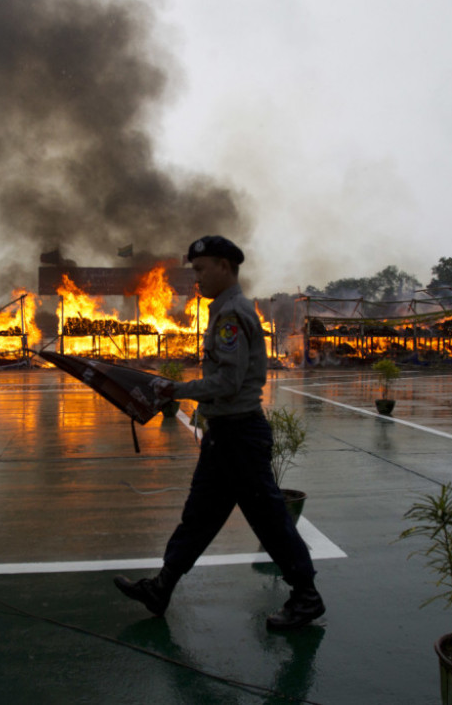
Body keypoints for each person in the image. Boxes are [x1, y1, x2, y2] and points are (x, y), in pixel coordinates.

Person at [113, 235, 325, 630]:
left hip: (240, 435)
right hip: (225, 435)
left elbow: (227, 381)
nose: (196, 277)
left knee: (268, 518)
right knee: (199, 517)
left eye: (201, 268)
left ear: (225, 266)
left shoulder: (231, 314)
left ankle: (306, 597)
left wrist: (176, 389)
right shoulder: (223, 310)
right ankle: (162, 587)